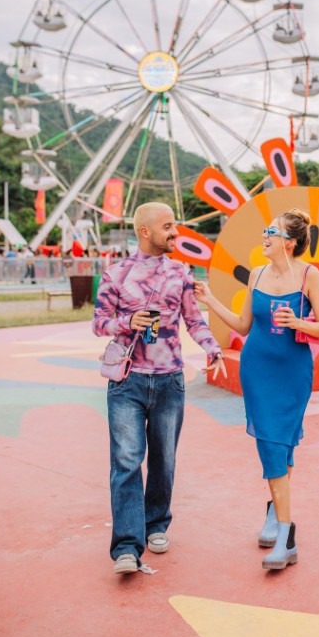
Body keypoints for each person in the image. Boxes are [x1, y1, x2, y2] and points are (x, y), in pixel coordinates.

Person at [92, 202, 226, 575]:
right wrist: (127, 321)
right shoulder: (115, 273)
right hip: (128, 381)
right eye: (168, 227)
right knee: (125, 461)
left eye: (175, 226)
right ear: (145, 231)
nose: (175, 233)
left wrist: (212, 347)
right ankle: (126, 547)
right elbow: (99, 323)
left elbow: (193, 319)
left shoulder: (181, 272)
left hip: (169, 381)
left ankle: (156, 525)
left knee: (164, 460)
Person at [194, 208, 319, 571]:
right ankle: (282, 527)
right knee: (271, 446)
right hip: (257, 372)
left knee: (282, 445)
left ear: (290, 242)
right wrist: (209, 301)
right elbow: (242, 324)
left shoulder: (309, 275)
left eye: (271, 232)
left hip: (294, 372)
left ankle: (282, 529)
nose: (264, 236)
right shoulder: (256, 274)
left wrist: (298, 321)